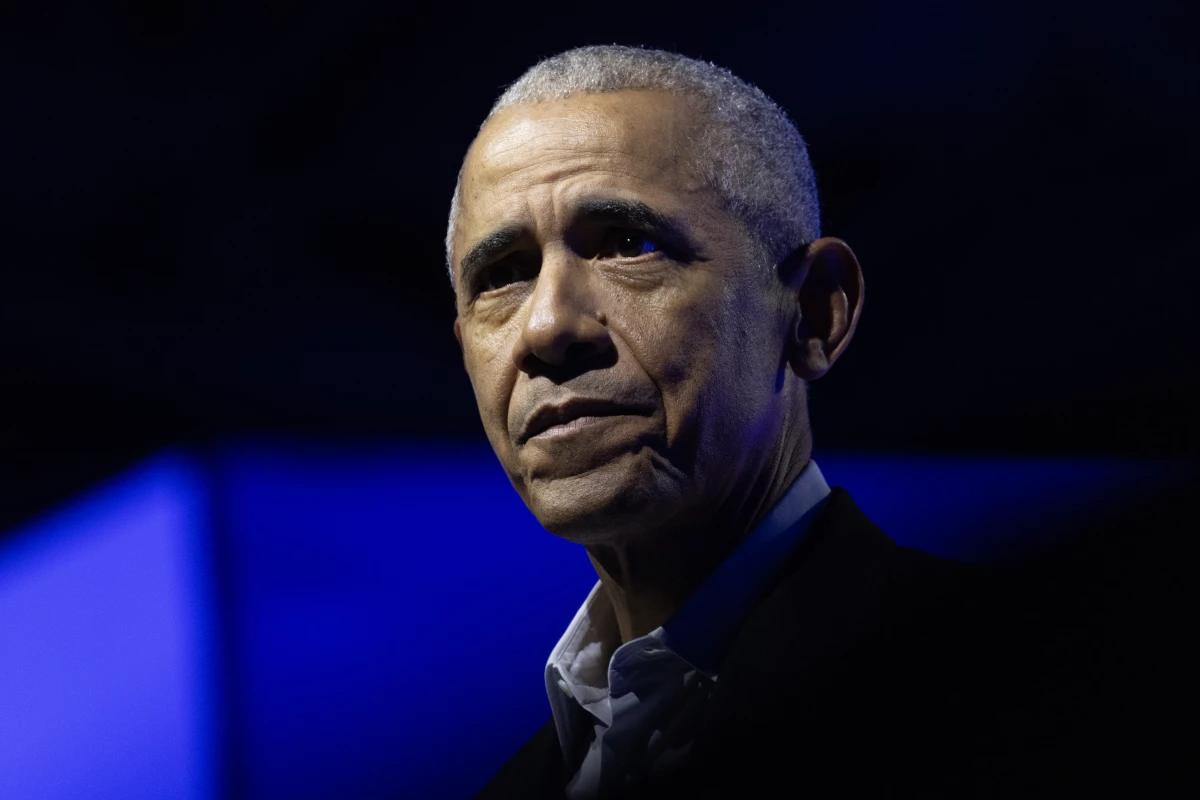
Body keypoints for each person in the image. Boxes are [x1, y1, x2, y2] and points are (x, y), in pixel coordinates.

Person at [442, 45, 1164, 798]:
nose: (548, 325)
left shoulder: (1047, 692)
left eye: (630, 244)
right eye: (502, 276)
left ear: (815, 311)